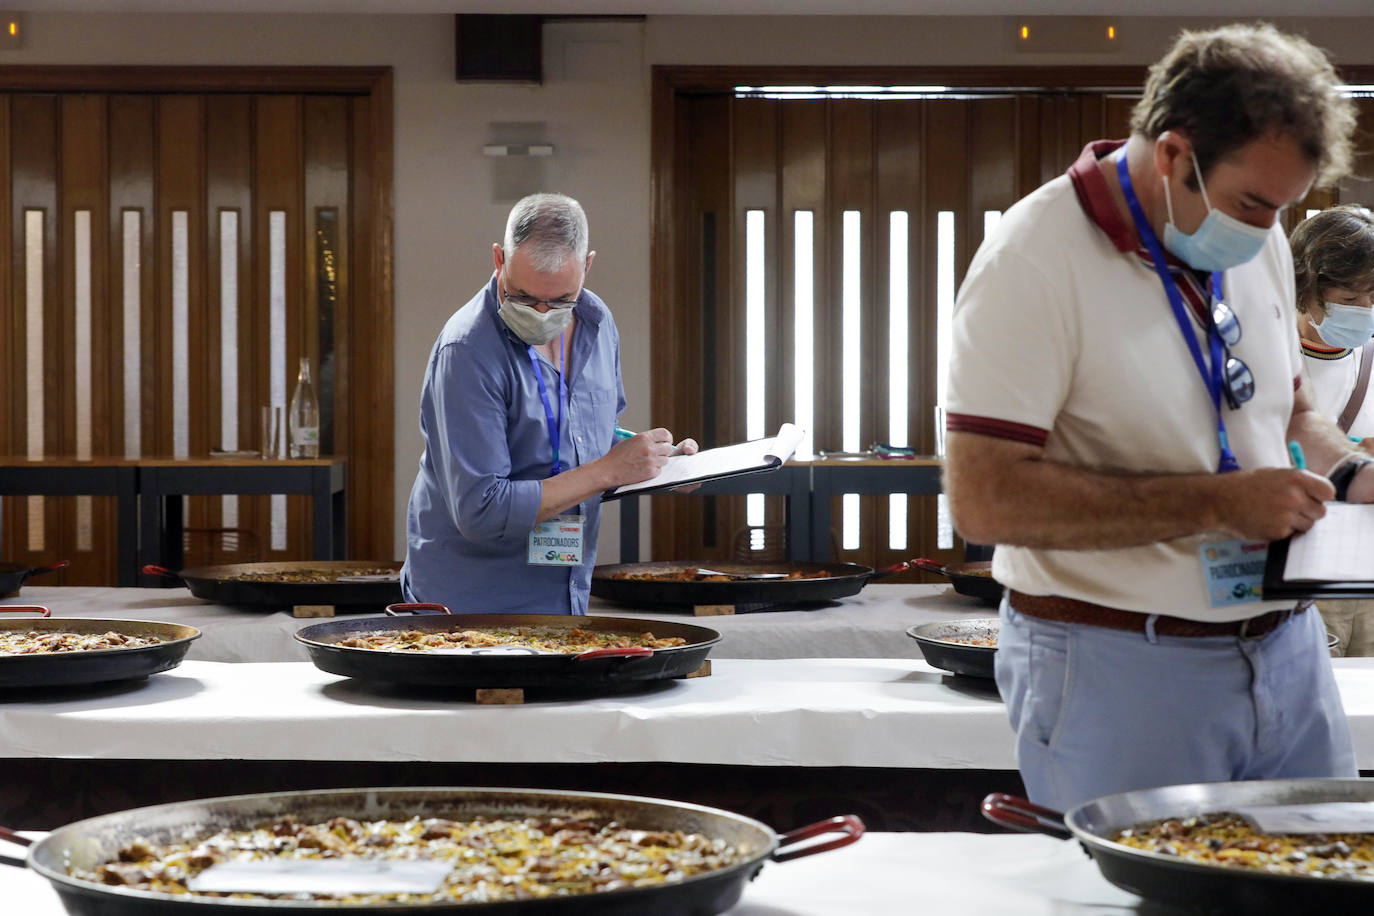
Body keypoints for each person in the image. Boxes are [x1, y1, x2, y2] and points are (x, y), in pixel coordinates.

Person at [943, 23, 1373, 812]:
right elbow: (986, 500)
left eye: (1282, 206)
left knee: (1320, 885)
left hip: (1285, 647)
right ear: (1175, 154)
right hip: (1120, 661)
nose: (1265, 227)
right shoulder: (1031, 258)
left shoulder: (1259, 230)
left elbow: (1293, 402)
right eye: (1251, 202)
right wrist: (1214, 503)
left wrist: (1351, 468)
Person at [402, 193, 696, 614]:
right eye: (522, 298)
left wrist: (655, 463)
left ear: (587, 267)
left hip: (561, 592)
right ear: (499, 259)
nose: (541, 314)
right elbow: (481, 512)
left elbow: (585, 433)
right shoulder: (467, 350)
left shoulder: (597, 322)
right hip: (470, 599)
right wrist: (609, 470)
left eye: (560, 301)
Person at [1291, 205, 1374, 656]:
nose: (1366, 310)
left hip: (1366, 558)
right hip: (1301, 563)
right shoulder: (1270, 354)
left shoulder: (1372, 357)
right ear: (1308, 290)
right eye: (1350, 297)